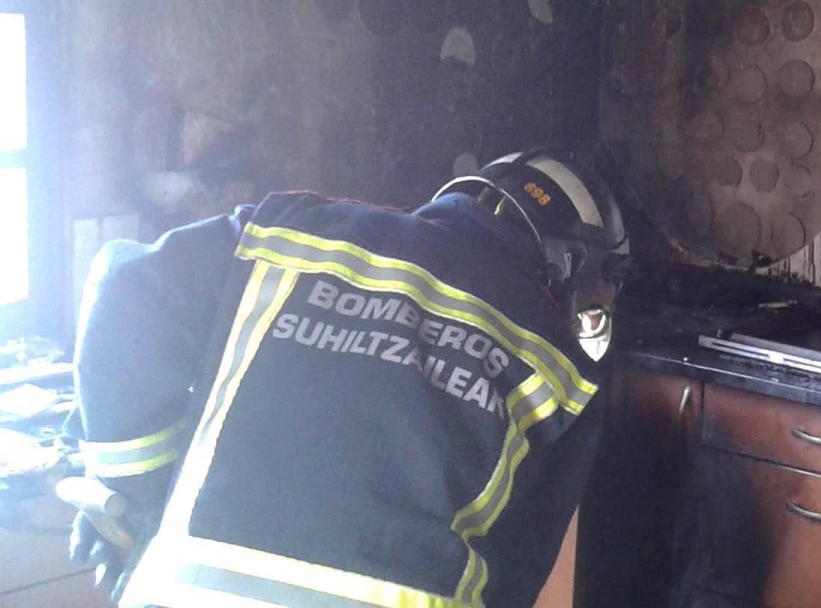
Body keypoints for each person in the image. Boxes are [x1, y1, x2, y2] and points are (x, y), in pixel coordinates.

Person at [66, 148, 634, 608]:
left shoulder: (291, 232)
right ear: (569, 267)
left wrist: (136, 485)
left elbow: (123, 282)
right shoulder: (562, 371)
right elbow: (515, 578)